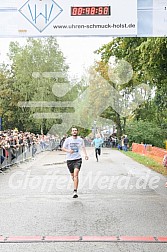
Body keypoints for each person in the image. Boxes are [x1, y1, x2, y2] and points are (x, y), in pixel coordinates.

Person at [61, 127, 88, 198]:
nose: (74, 132)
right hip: (69, 160)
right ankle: (75, 182)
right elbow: (62, 148)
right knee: (73, 176)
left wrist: (85, 155)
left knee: (76, 174)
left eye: (75, 130)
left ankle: (75, 191)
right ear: (71, 132)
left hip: (78, 159)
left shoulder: (80, 140)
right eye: (73, 131)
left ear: (77, 132)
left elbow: (83, 147)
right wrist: (68, 151)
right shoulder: (68, 140)